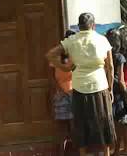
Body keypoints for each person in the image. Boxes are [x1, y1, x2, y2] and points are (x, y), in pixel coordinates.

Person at [46, 13, 116, 156]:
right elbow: (110, 67)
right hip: (100, 86)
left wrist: (65, 67)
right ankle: (106, 153)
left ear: (79, 26)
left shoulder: (72, 40)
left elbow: (50, 54)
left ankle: (83, 154)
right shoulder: (102, 40)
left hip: (79, 88)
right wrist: (110, 89)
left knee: (81, 123)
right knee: (103, 121)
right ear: (93, 25)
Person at [51, 30, 76, 156]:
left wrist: (59, 89)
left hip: (62, 94)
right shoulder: (75, 56)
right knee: (72, 128)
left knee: (64, 128)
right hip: (71, 94)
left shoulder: (57, 56)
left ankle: (64, 153)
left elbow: (52, 77)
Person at [105, 28, 127, 156]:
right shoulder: (120, 57)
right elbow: (121, 80)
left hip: (107, 90)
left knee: (111, 122)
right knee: (120, 122)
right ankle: (119, 149)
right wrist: (126, 97)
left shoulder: (104, 55)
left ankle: (112, 149)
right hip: (118, 92)